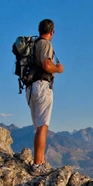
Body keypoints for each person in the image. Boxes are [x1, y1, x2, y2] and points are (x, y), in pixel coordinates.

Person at [27, 19, 64, 172]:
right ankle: (38, 165)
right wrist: (58, 69)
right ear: (52, 32)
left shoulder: (34, 45)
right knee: (43, 126)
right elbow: (46, 65)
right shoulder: (45, 44)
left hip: (31, 87)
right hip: (42, 85)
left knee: (39, 126)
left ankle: (40, 161)